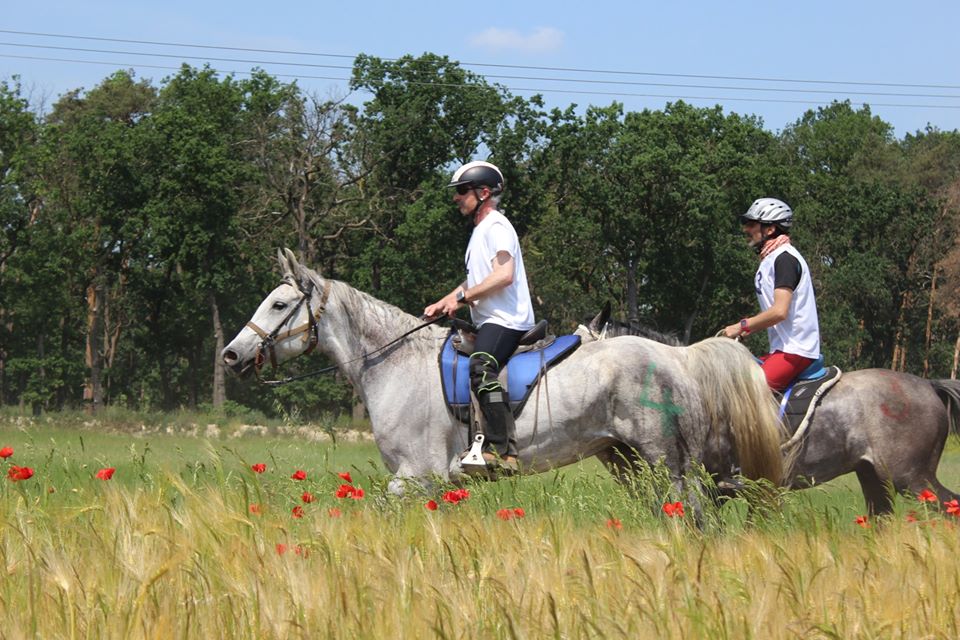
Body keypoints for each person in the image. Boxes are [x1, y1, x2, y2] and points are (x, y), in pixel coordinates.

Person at [424, 160, 535, 470]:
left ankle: (504, 452)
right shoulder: (480, 232)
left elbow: (504, 275)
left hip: (507, 319)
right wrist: (444, 301)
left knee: (481, 366)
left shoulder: (497, 226)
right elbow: (473, 281)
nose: (456, 198)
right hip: (489, 319)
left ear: (484, 193)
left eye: (461, 191)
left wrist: (461, 298)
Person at [723, 198, 821, 392]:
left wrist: (742, 326)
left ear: (770, 229)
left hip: (795, 350)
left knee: (747, 397)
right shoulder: (771, 259)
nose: (746, 229)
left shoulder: (785, 258)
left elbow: (779, 311)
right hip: (781, 349)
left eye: (751, 224)